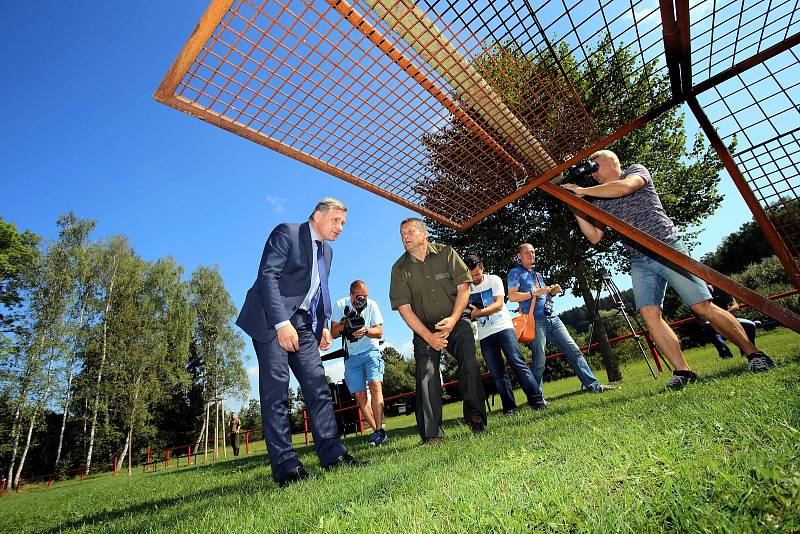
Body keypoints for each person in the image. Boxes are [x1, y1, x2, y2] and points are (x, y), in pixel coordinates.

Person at [562, 149, 776, 388]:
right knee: (649, 314)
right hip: (639, 259)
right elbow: (594, 236)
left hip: (667, 247)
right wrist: (576, 207)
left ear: (613, 162)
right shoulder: (598, 197)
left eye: (595, 164)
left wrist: (582, 191)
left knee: (701, 306)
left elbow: (624, 188)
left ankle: (754, 354)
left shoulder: (635, 171)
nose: (593, 171)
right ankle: (683, 371)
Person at [236, 198, 367, 487]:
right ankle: (286, 467)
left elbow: (319, 290)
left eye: (343, 223)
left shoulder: (328, 252)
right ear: (318, 216)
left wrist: (322, 325)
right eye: (336, 220)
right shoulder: (287, 233)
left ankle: (333, 455)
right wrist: (281, 323)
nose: (340, 227)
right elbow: (267, 277)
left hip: (304, 324)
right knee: (277, 390)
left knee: (317, 385)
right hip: (271, 318)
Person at [389, 218, 487, 443]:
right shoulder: (399, 268)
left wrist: (453, 319)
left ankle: (475, 417)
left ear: (424, 234)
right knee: (426, 373)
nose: (404, 236)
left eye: (410, 231)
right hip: (425, 328)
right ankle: (432, 434)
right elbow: (404, 309)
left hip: (455, 319)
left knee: (469, 362)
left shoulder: (447, 253)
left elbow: (464, 289)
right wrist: (428, 336)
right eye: (402, 233)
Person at [507, 244, 613, 399]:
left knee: (574, 351)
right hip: (535, 321)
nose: (531, 254)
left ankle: (594, 387)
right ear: (519, 255)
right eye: (527, 252)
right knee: (540, 360)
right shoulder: (515, 273)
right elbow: (512, 296)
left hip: (552, 318)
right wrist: (534, 292)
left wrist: (552, 293)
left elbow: (544, 297)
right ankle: (537, 398)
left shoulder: (538, 275)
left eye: (533, 252)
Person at [464, 254, 546, 413]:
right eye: (470, 276)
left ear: (482, 268)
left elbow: (498, 305)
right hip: (485, 335)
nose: (474, 278)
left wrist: (476, 313)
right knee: (497, 373)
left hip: (503, 328)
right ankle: (510, 408)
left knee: (517, 363)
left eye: (477, 274)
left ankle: (537, 401)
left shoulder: (494, 280)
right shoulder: (466, 289)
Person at [331, 280, 389, 446]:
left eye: (365, 296)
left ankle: (378, 430)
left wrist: (366, 331)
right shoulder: (340, 305)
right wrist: (346, 324)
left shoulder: (372, 305)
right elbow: (333, 332)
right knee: (359, 395)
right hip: (352, 356)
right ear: (351, 295)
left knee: (375, 385)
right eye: (358, 297)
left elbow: (379, 331)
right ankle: (378, 432)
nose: (362, 300)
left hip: (371, 351)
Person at [702, 284, 759, 359]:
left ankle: (747, 352)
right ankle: (725, 355)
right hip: (713, 322)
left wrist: (723, 316)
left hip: (731, 319)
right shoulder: (697, 298)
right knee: (707, 325)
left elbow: (735, 306)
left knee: (750, 325)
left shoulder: (720, 288)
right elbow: (699, 318)